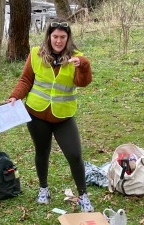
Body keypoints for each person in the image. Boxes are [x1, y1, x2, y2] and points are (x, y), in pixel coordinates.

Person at [8, 21, 94, 212]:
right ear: (49, 37)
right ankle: (43, 188)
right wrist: (15, 96)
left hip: (63, 116)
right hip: (36, 113)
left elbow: (83, 83)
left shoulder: (77, 58)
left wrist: (84, 66)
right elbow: (26, 79)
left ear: (68, 38)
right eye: (55, 36)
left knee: (74, 154)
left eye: (63, 37)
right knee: (42, 152)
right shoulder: (36, 54)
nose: (58, 41)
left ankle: (83, 195)